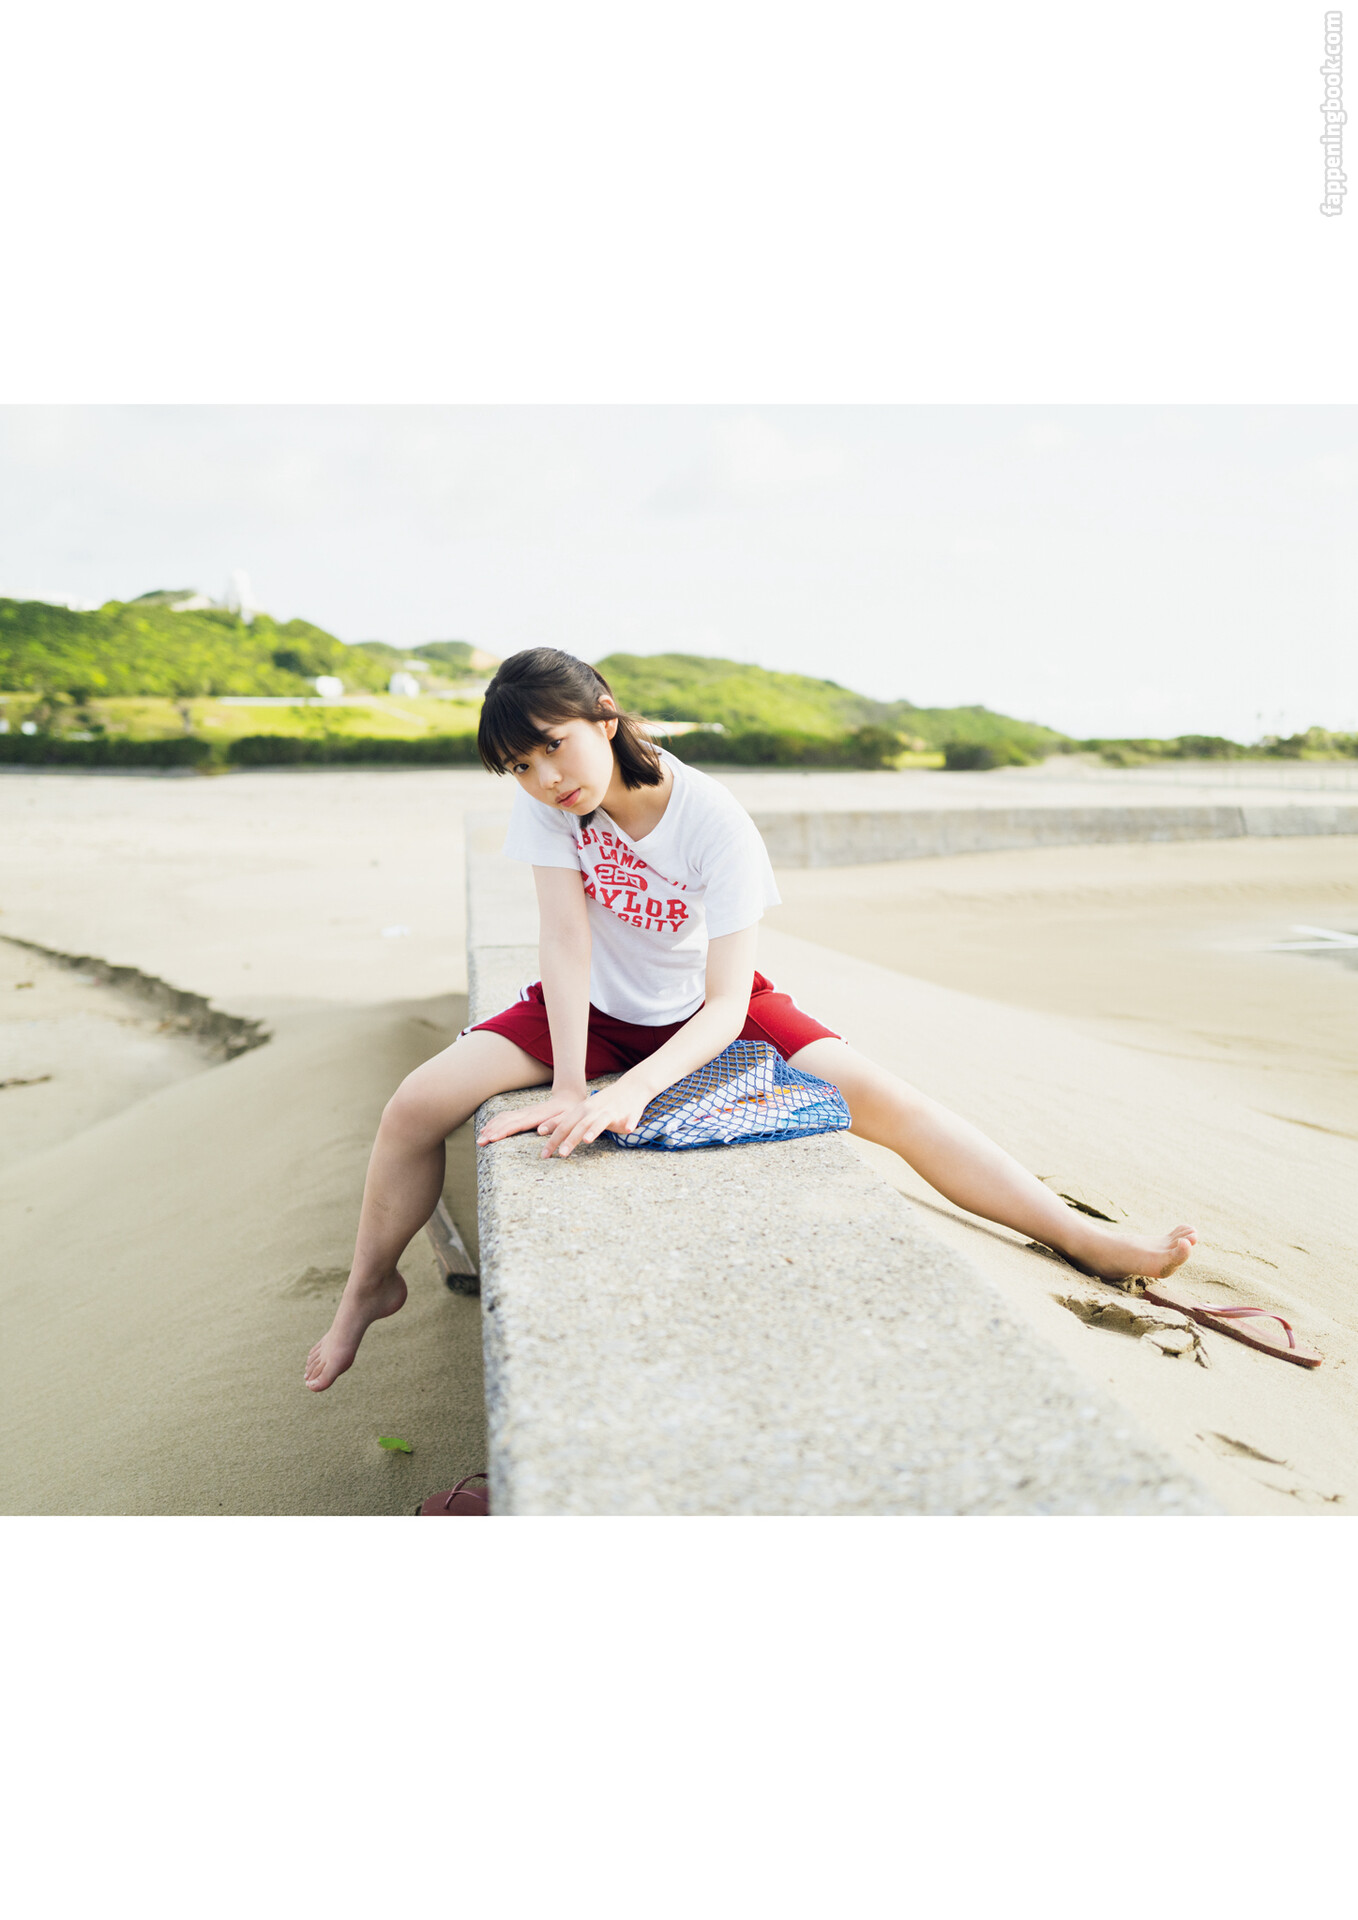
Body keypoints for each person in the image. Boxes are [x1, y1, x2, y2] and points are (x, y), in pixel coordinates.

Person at [304, 648, 1196, 1394]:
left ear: (604, 718)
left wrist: (633, 1092)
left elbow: (728, 1005)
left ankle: (1084, 1238)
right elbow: (565, 944)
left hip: (708, 1010)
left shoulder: (712, 820)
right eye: (520, 767)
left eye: (552, 747)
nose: (545, 779)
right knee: (413, 1107)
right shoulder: (549, 809)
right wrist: (573, 1084)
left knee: (894, 1106)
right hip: (591, 1011)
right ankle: (366, 1292)